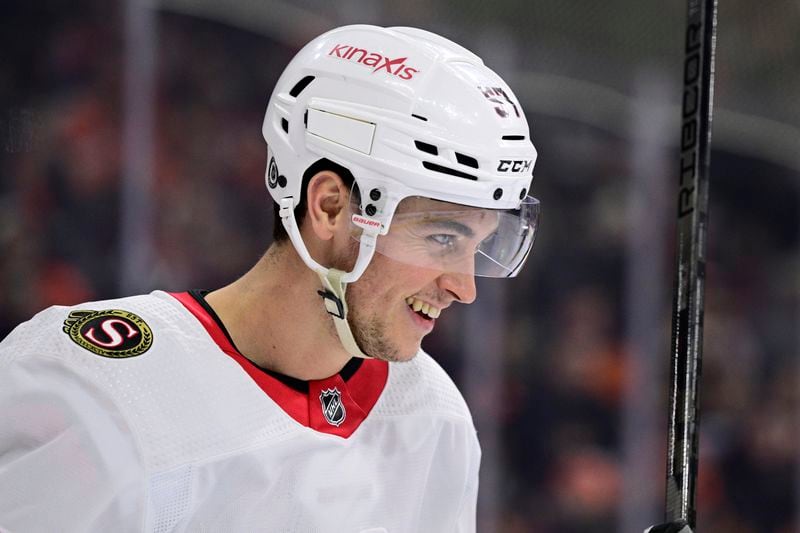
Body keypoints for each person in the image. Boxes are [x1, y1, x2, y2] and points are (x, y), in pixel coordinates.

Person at [0, 24, 539, 532]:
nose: (464, 287)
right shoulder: (99, 390)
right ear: (330, 207)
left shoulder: (431, 419)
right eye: (443, 239)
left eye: (481, 244)